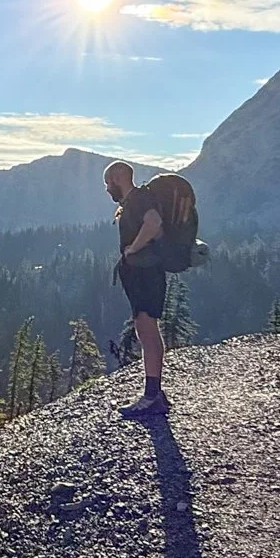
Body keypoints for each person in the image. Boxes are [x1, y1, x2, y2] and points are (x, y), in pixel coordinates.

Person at [105, 159, 169, 422]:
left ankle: (151, 396)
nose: (108, 189)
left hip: (145, 275)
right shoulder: (133, 202)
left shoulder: (139, 199)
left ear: (119, 178)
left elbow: (154, 223)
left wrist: (133, 248)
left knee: (146, 329)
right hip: (145, 274)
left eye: (108, 183)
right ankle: (155, 393)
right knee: (148, 328)